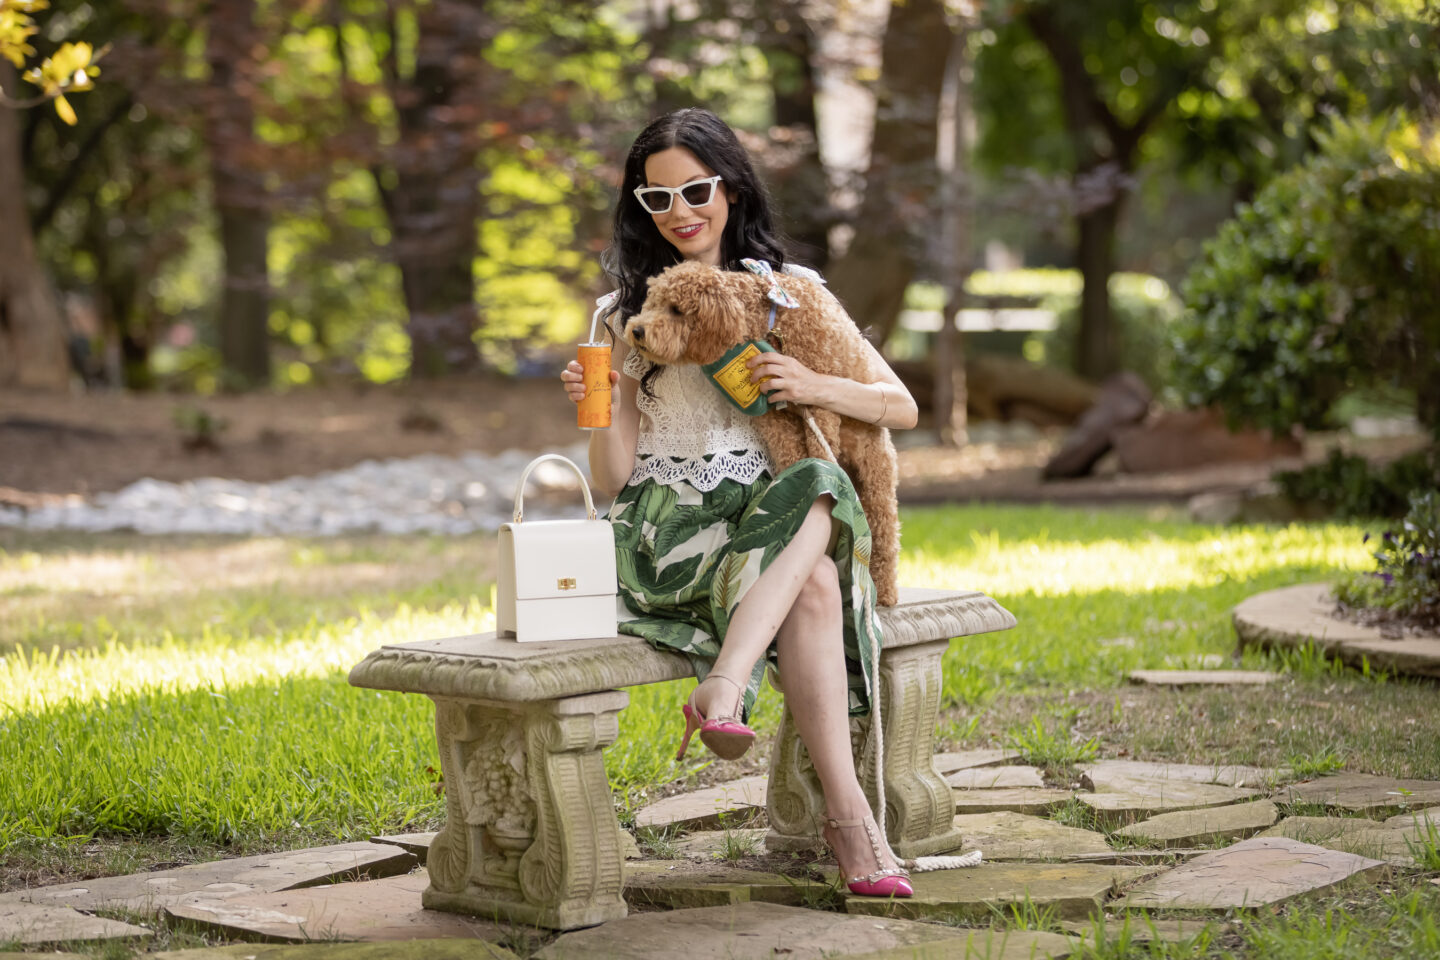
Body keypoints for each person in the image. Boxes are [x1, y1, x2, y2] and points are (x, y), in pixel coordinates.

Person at [560, 107, 919, 898]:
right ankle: (849, 824)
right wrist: (603, 402)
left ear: (731, 189)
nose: (681, 213)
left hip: (764, 529)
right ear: (640, 209)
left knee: (817, 496)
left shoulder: (791, 297)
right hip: (665, 539)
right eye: (658, 199)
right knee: (817, 569)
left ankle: (730, 692)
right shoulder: (625, 318)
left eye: (696, 190)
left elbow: (903, 407)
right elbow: (613, 477)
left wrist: (815, 386)